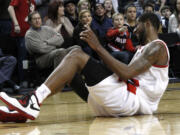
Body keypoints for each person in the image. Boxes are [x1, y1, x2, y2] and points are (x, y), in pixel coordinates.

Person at [0, 13, 169, 121]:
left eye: (138, 25)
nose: (135, 30)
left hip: (131, 101)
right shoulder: (145, 49)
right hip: (114, 103)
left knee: (76, 56)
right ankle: (23, 112)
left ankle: (33, 101)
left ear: (147, 23)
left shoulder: (158, 46)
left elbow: (126, 73)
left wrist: (97, 47)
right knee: (68, 57)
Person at [8, 0, 36, 86]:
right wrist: (16, 24)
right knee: (23, 58)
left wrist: (32, 12)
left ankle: (30, 80)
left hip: (31, 33)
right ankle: (22, 80)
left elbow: (31, 17)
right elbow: (10, 8)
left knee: (30, 57)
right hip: (21, 33)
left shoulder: (32, 2)